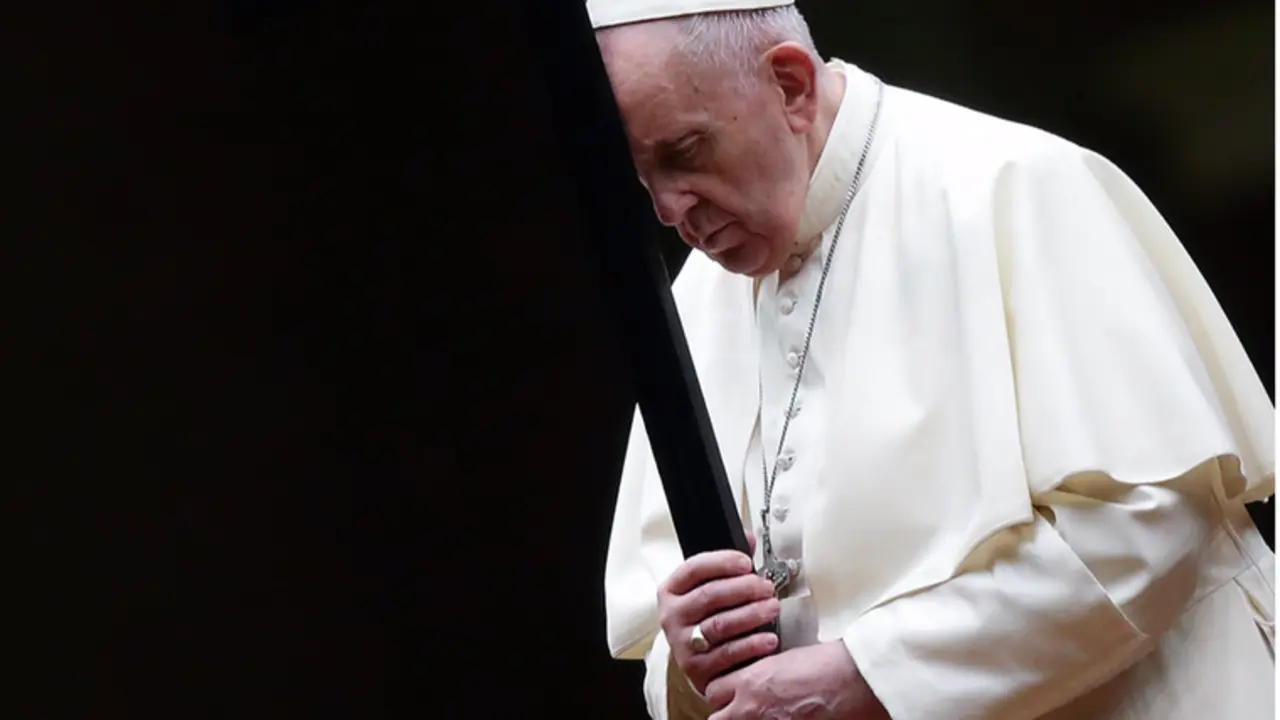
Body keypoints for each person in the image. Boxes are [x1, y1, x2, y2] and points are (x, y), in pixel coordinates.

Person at [590, 0, 1275, 718]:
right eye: (642, 176)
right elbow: (668, 644)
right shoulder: (698, 299)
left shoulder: (1012, 184)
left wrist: (867, 674)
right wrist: (693, 652)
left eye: (685, 152)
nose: (668, 211)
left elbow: (1142, 527)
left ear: (790, 86)